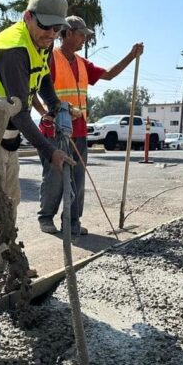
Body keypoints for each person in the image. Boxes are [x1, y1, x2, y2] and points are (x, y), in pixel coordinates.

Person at [0, 0, 73, 297]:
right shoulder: (14, 49)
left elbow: (42, 79)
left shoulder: (39, 41)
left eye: (57, 29)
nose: (51, 35)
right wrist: (50, 150)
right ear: (28, 17)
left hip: (7, 137)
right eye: (46, 27)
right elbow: (23, 116)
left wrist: (58, 107)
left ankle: (12, 264)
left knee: (10, 205)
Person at [35, 16, 144, 235]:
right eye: (81, 34)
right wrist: (45, 114)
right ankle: (46, 218)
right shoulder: (51, 59)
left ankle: (72, 221)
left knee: (77, 178)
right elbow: (34, 89)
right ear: (67, 33)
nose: (85, 39)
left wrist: (131, 56)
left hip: (80, 130)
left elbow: (109, 75)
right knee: (55, 176)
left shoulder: (82, 64)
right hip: (55, 130)